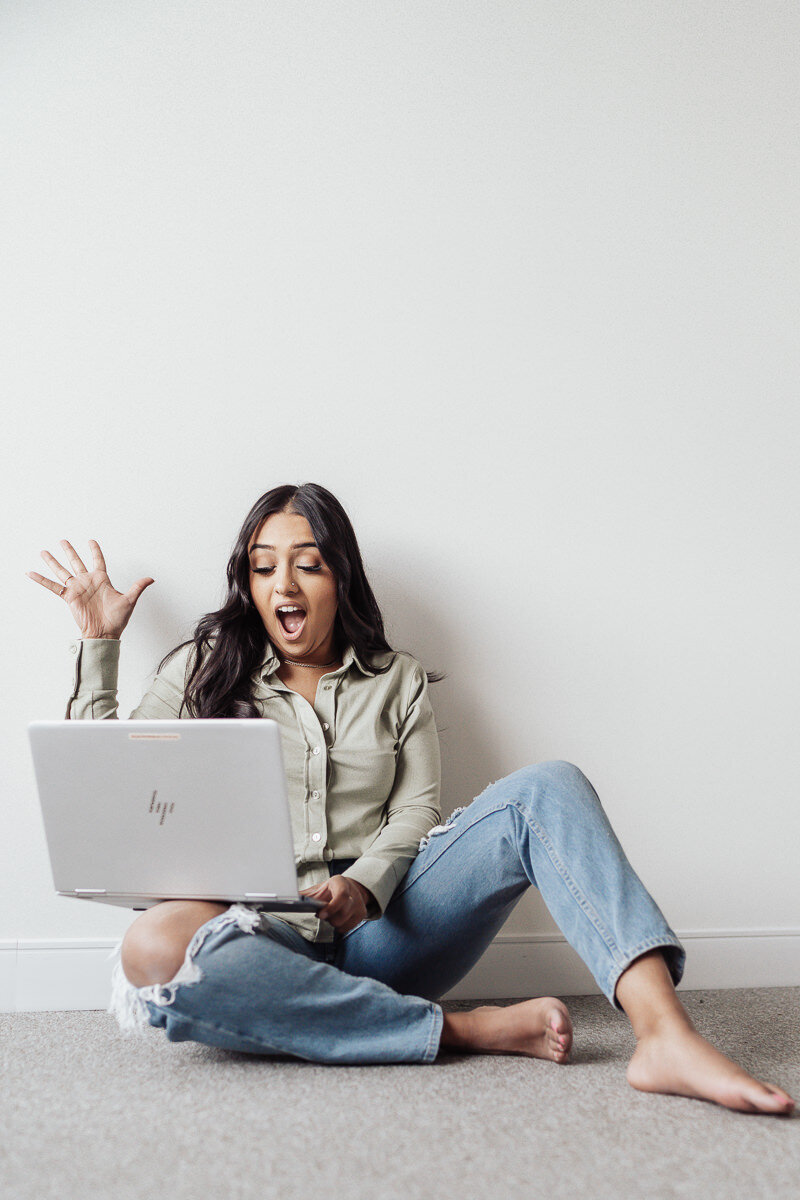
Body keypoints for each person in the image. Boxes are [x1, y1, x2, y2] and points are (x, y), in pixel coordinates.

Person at [28, 482, 794, 1116]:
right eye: (264, 568)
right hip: (261, 940)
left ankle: (663, 1034)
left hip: (386, 934)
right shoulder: (207, 667)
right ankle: (458, 1030)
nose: (284, 585)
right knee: (150, 949)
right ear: (248, 583)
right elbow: (106, 783)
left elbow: (418, 813)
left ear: (342, 579)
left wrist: (366, 883)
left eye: (308, 564)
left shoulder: (396, 680)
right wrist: (100, 643)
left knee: (549, 786)